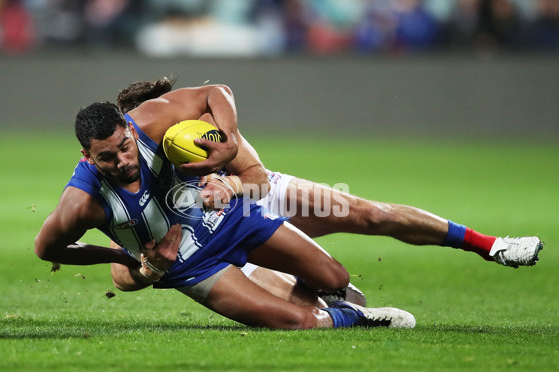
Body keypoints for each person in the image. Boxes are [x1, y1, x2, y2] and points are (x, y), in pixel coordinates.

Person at [112, 77, 544, 305]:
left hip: (252, 199)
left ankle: (491, 245)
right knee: (299, 301)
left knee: (370, 214)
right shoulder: (127, 174)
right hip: (206, 239)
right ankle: (338, 303)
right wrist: (150, 269)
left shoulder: (201, 133)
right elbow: (121, 272)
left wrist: (228, 182)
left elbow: (259, 179)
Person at [34, 100, 416, 330]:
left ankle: (333, 300)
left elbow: (216, 93)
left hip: (232, 221)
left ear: (129, 130)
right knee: (297, 323)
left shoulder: (156, 127)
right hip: (194, 269)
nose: (123, 161)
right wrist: (121, 256)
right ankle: (358, 319)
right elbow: (47, 247)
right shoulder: (82, 202)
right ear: (87, 157)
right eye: (107, 157)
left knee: (337, 278)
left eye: (124, 147)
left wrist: (229, 142)